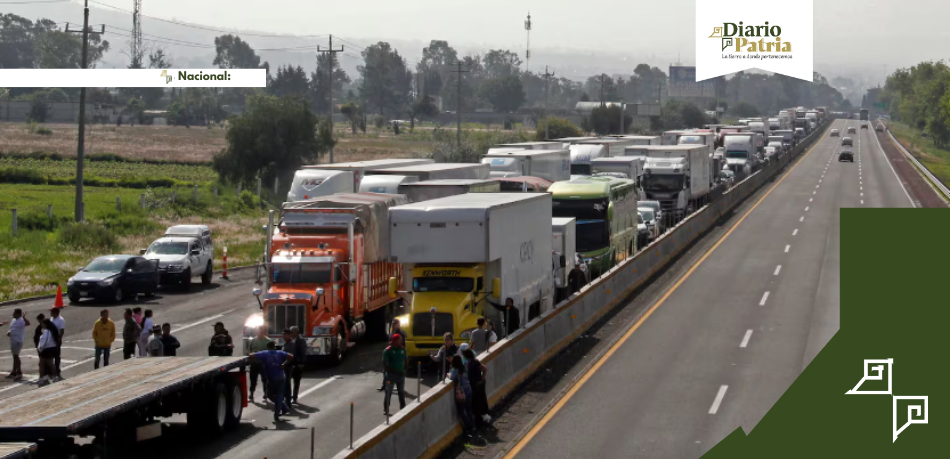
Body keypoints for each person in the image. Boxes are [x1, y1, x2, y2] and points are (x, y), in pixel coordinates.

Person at [249, 341, 293, 422]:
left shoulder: (265, 353)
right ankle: (282, 409)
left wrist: (256, 359)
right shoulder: (280, 352)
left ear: (268, 347)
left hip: (272, 378)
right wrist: (284, 364)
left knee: (270, 395)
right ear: (274, 347)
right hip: (281, 377)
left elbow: (251, 355)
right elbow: (291, 356)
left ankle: (281, 409)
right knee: (279, 395)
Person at [462, 348, 491, 426]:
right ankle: (480, 419)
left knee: (479, 402)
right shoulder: (468, 362)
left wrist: (483, 377)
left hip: (477, 385)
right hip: (473, 385)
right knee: (475, 403)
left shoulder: (475, 362)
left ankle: (485, 418)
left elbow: (484, 369)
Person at [383, 333, 408, 416]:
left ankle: (403, 408)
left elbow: (406, 360)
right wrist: (389, 371)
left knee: (401, 392)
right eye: (399, 339)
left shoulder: (402, 349)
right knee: (388, 392)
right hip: (391, 375)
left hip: (400, 374)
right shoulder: (388, 350)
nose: (401, 340)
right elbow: (384, 362)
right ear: (394, 340)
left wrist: (405, 369)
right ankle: (386, 409)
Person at [449, 354, 475, 434]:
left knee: (461, 412)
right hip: (469, 390)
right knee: (468, 409)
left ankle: (469, 425)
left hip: (462, 392)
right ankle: (473, 425)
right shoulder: (464, 368)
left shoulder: (455, 370)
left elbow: (451, 377)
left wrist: (448, 374)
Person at [379, 319, 407, 391]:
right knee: (385, 370)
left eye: (395, 324)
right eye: (392, 324)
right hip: (390, 354)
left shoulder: (401, 334)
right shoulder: (391, 333)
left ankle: (400, 387)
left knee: (399, 371)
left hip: (398, 355)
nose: (393, 325)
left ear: (398, 324)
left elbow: (403, 345)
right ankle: (384, 385)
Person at [247, 327, 272, 401]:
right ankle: (251, 395)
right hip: (254, 362)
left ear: (264, 332)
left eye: (262, 332)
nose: (260, 333)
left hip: (263, 363)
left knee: (265, 379)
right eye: (259, 331)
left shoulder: (268, 341)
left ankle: (266, 394)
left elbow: (270, 352)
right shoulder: (253, 340)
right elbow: (250, 350)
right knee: (253, 379)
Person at [3, 309, 30, 380]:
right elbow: (13, 328)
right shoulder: (13, 320)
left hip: (18, 341)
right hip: (13, 340)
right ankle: (14, 372)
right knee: (15, 356)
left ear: (18, 314)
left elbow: (28, 323)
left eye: (14, 313)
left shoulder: (21, 320)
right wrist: (9, 332)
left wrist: (24, 318)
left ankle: (19, 372)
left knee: (16, 356)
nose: (13, 314)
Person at [286, 326, 308, 405]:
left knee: (296, 381)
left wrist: (302, 363)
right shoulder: (289, 340)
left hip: (298, 364)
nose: (290, 334)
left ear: (296, 333)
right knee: (287, 381)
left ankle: (294, 397)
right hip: (290, 364)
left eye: (292, 332)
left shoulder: (301, 341)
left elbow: (303, 352)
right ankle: (287, 397)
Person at [37, 320, 58, 387]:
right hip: (52, 348)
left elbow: (44, 342)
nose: (41, 325)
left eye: (42, 324)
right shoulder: (52, 331)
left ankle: (41, 378)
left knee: (43, 364)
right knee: (50, 363)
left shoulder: (47, 332)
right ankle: (54, 376)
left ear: (46, 324)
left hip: (46, 349)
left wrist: (40, 349)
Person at [49, 307, 65, 380]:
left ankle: (57, 370)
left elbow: (61, 331)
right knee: (51, 355)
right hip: (50, 339)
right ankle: (52, 370)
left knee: (56, 356)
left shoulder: (60, 320)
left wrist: (58, 339)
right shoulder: (52, 319)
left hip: (56, 339)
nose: (50, 313)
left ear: (56, 312)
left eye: (51, 312)